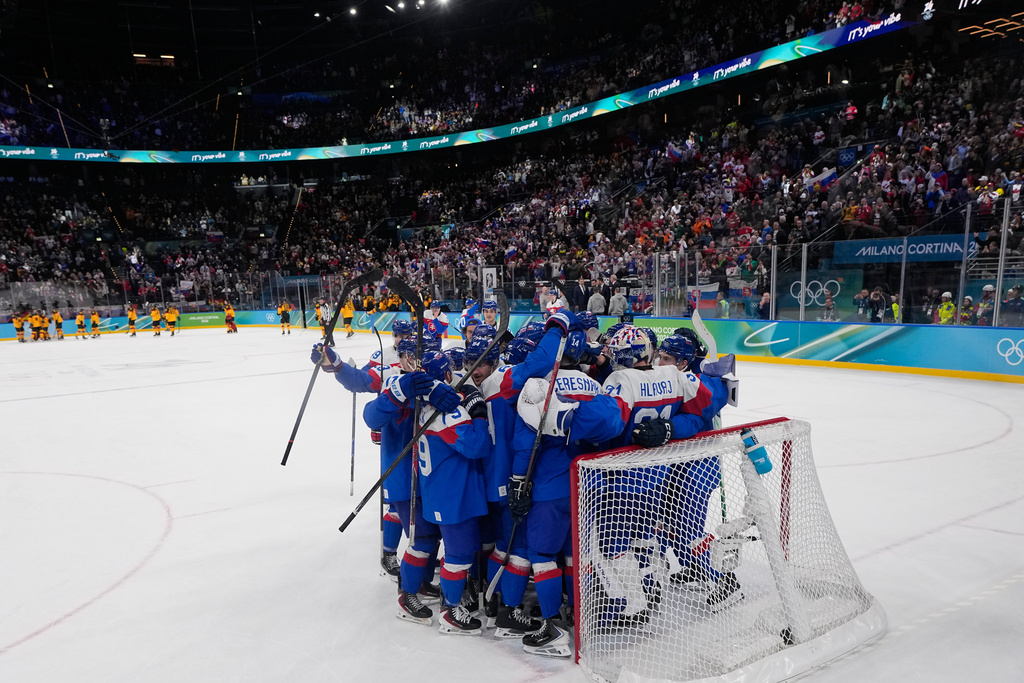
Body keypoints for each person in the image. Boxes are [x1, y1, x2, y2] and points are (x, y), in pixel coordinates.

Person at [413, 351, 492, 634]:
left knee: (458, 551)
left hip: (442, 490)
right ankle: (451, 611)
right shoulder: (447, 412)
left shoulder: (426, 405)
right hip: (453, 494)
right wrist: (479, 412)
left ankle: (452, 600)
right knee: (459, 554)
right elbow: (477, 446)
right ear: (446, 375)